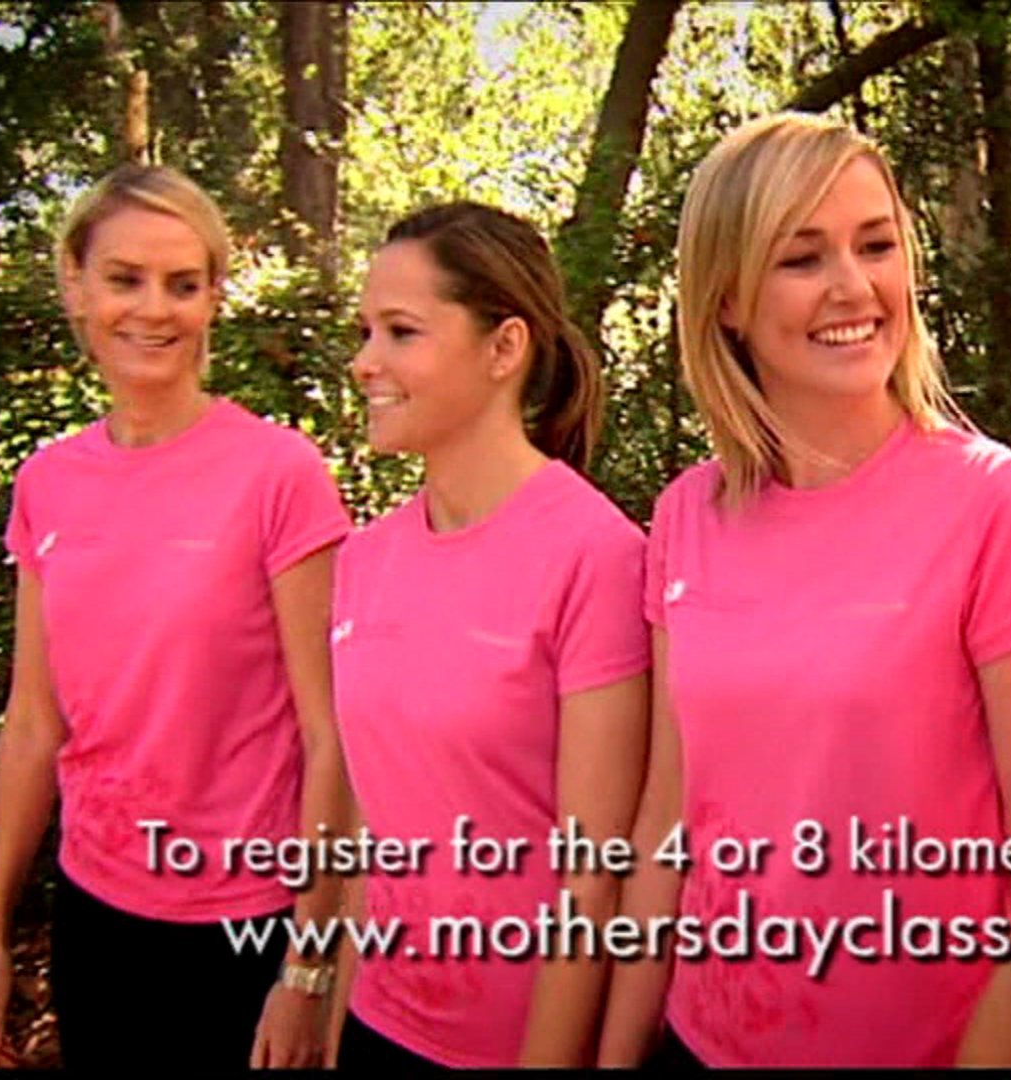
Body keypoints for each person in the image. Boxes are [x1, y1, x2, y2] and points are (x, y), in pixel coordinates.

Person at [596, 113, 1011, 1068]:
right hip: (699, 1043)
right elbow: (666, 821)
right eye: (802, 258)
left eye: (876, 246)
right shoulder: (686, 515)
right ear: (727, 302)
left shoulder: (995, 508)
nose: (853, 287)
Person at [0, 165, 354, 1069]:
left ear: (213, 298)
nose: (154, 309)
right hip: (94, 913)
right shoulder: (47, 483)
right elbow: (33, 724)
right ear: (75, 285)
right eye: (125, 279)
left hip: (248, 925)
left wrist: (309, 966)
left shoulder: (278, 475)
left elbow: (331, 736)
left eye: (183, 284)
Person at [328, 202, 651, 1068]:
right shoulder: (363, 560)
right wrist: (326, 1002)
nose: (364, 362)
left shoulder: (596, 557)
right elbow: (372, 825)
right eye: (365, 332)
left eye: (401, 332)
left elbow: (595, 875)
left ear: (504, 348)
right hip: (376, 1025)